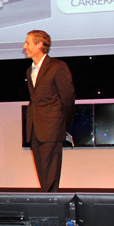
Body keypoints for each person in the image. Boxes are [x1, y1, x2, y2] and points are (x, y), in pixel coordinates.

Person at [23, 30, 75, 192]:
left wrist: (61, 125)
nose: (24, 47)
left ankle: (52, 202)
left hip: (52, 126)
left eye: (28, 43)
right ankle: (47, 201)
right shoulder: (30, 70)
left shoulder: (57, 67)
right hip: (35, 127)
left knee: (50, 173)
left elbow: (68, 99)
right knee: (42, 172)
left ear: (39, 44)